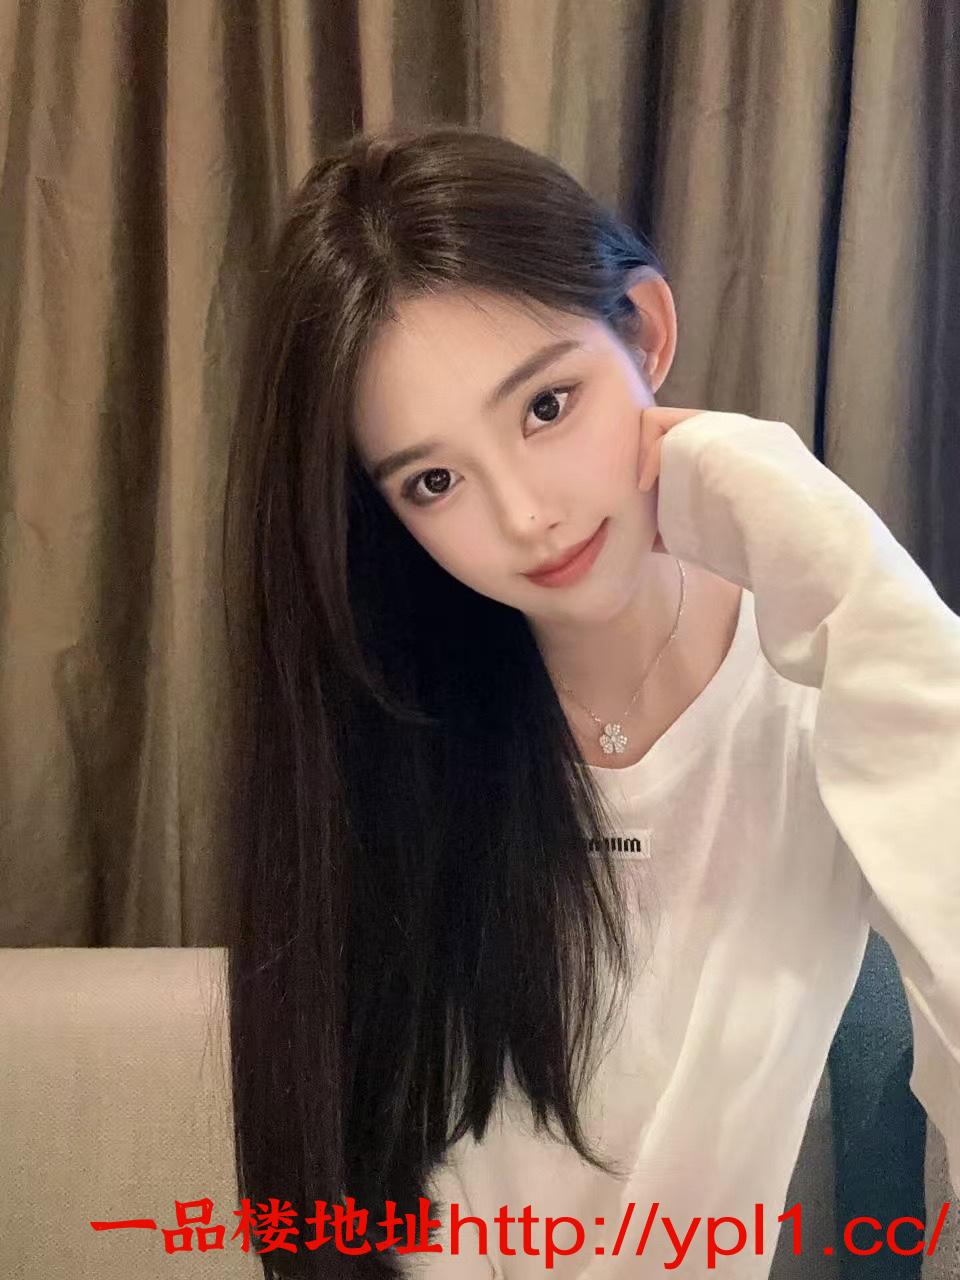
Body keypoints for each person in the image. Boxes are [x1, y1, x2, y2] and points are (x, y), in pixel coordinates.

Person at [220, 125, 960, 1279]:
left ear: (646, 330)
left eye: (547, 405)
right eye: (434, 479)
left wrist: (854, 581)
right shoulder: (388, 724)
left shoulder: (823, 681)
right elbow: (349, 1169)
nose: (526, 516)